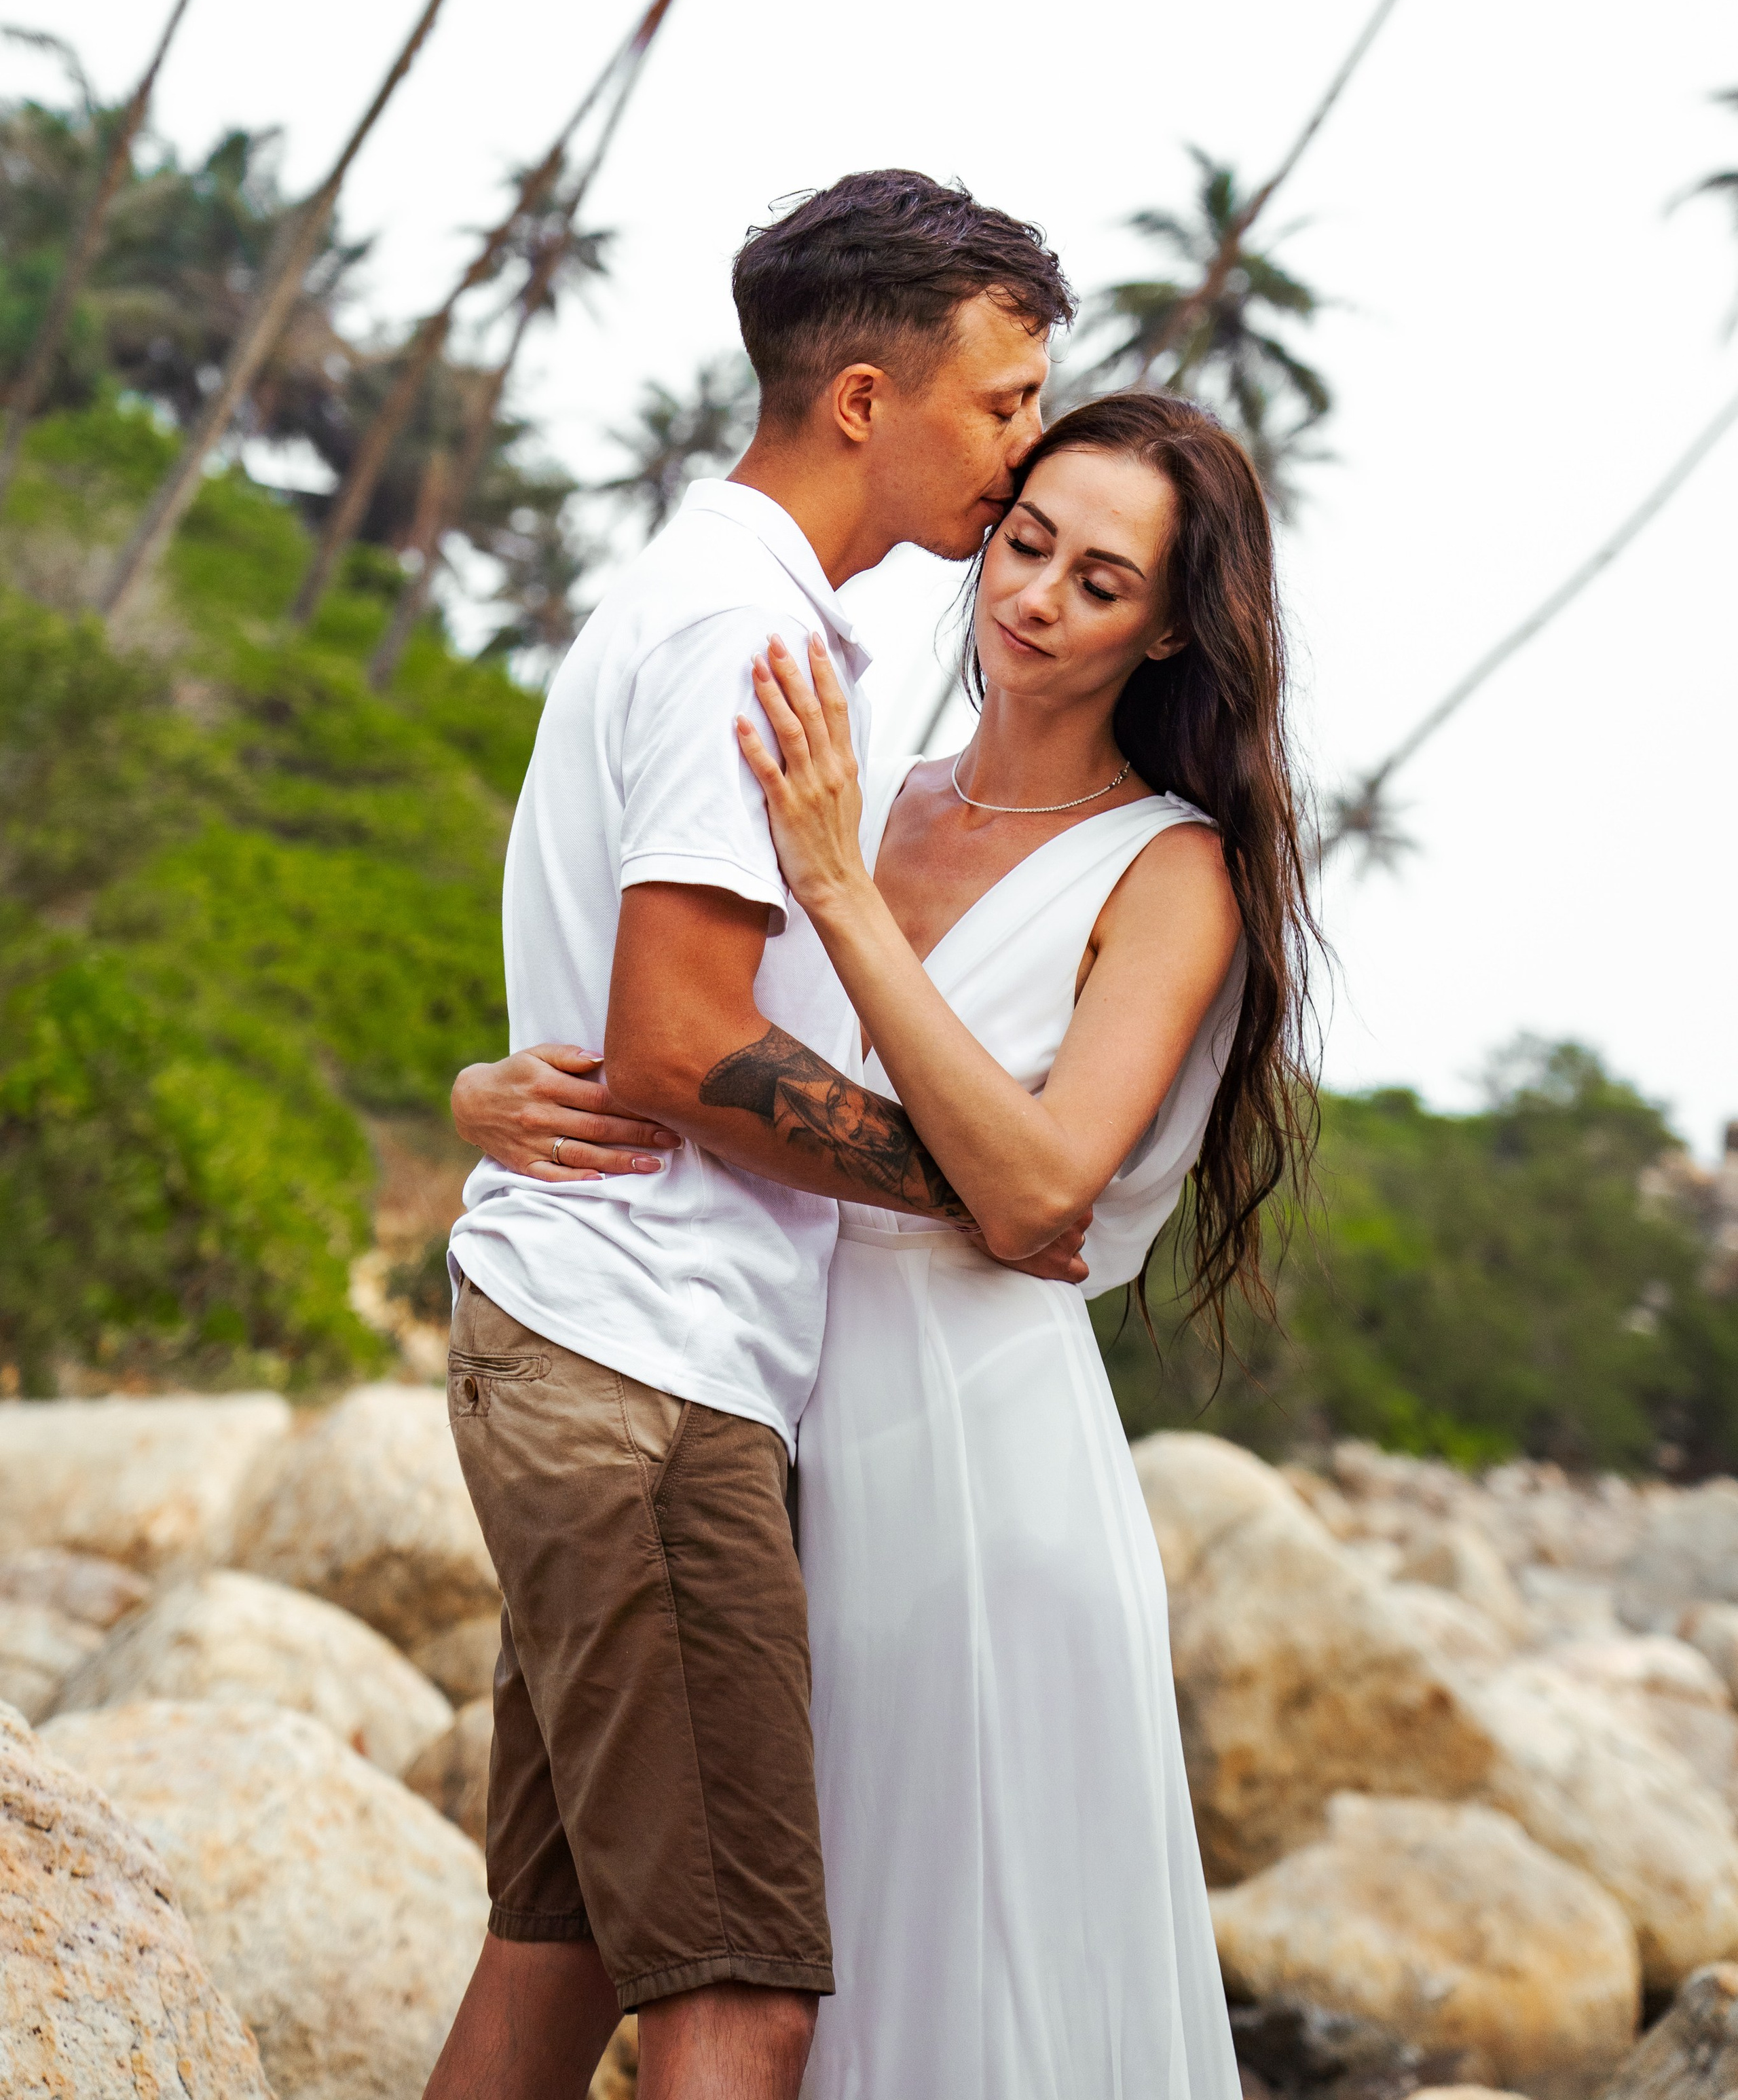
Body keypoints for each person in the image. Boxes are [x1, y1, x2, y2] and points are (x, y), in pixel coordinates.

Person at [456, 390, 1320, 2098]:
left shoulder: (1170, 874)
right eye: (1025, 541)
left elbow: (1042, 1186)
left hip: (976, 1465)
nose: (1034, 597)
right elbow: (703, 1045)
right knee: (724, 1939)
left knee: (942, 1959)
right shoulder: (865, 782)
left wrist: (839, 894)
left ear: (1164, 629)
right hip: (756, 1404)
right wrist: (494, 1093)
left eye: (1099, 580)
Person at [424, 169, 1088, 2100]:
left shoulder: (708, 597)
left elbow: (621, 1015)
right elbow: (678, 1039)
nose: (1021, 450)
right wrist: (971, 1177)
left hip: (592, 1342)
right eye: (1004, 400)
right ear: (868, 402)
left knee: (553, 1968)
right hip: (644, 1368)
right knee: (741, 1997)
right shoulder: (744, 630)